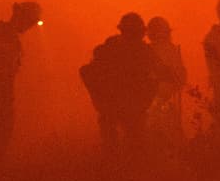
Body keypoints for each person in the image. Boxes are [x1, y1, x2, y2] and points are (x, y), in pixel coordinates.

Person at [80, 13, 164, 163]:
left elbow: (88, 72)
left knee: (124, 147)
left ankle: (119, 174)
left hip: (122, 106)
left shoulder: (115, 48)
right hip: (121, 105)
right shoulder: (135, 51)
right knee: (130, 147)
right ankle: (123, 175)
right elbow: (89, 72)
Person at [0, 1, 42, 162]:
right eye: (30, 21)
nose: (30, 26)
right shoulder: (4, 34)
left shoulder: (4, 33)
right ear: (21, 17)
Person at [144, 17, 186, 149]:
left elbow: (181, 78)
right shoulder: (145, 51)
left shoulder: (170, 51)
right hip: (150, 104)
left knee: (170, 139)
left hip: (163, 102)